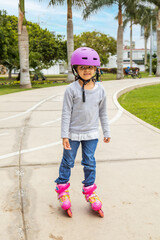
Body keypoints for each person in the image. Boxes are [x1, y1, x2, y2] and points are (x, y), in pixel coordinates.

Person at [55, 47, 111, 217]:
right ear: (75, 70)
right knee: (68, 162)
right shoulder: (71, 90)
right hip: (72, 134)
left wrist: (106, 131)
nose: (87, 70)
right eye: (82, 67)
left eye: (90, 67)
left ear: (96, 69)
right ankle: (62, 189)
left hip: (91, 134)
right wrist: (64, 135)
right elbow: (66, 113)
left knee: (89, 162)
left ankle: (89, 191)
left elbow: (103, 112)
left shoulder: (101, 90)